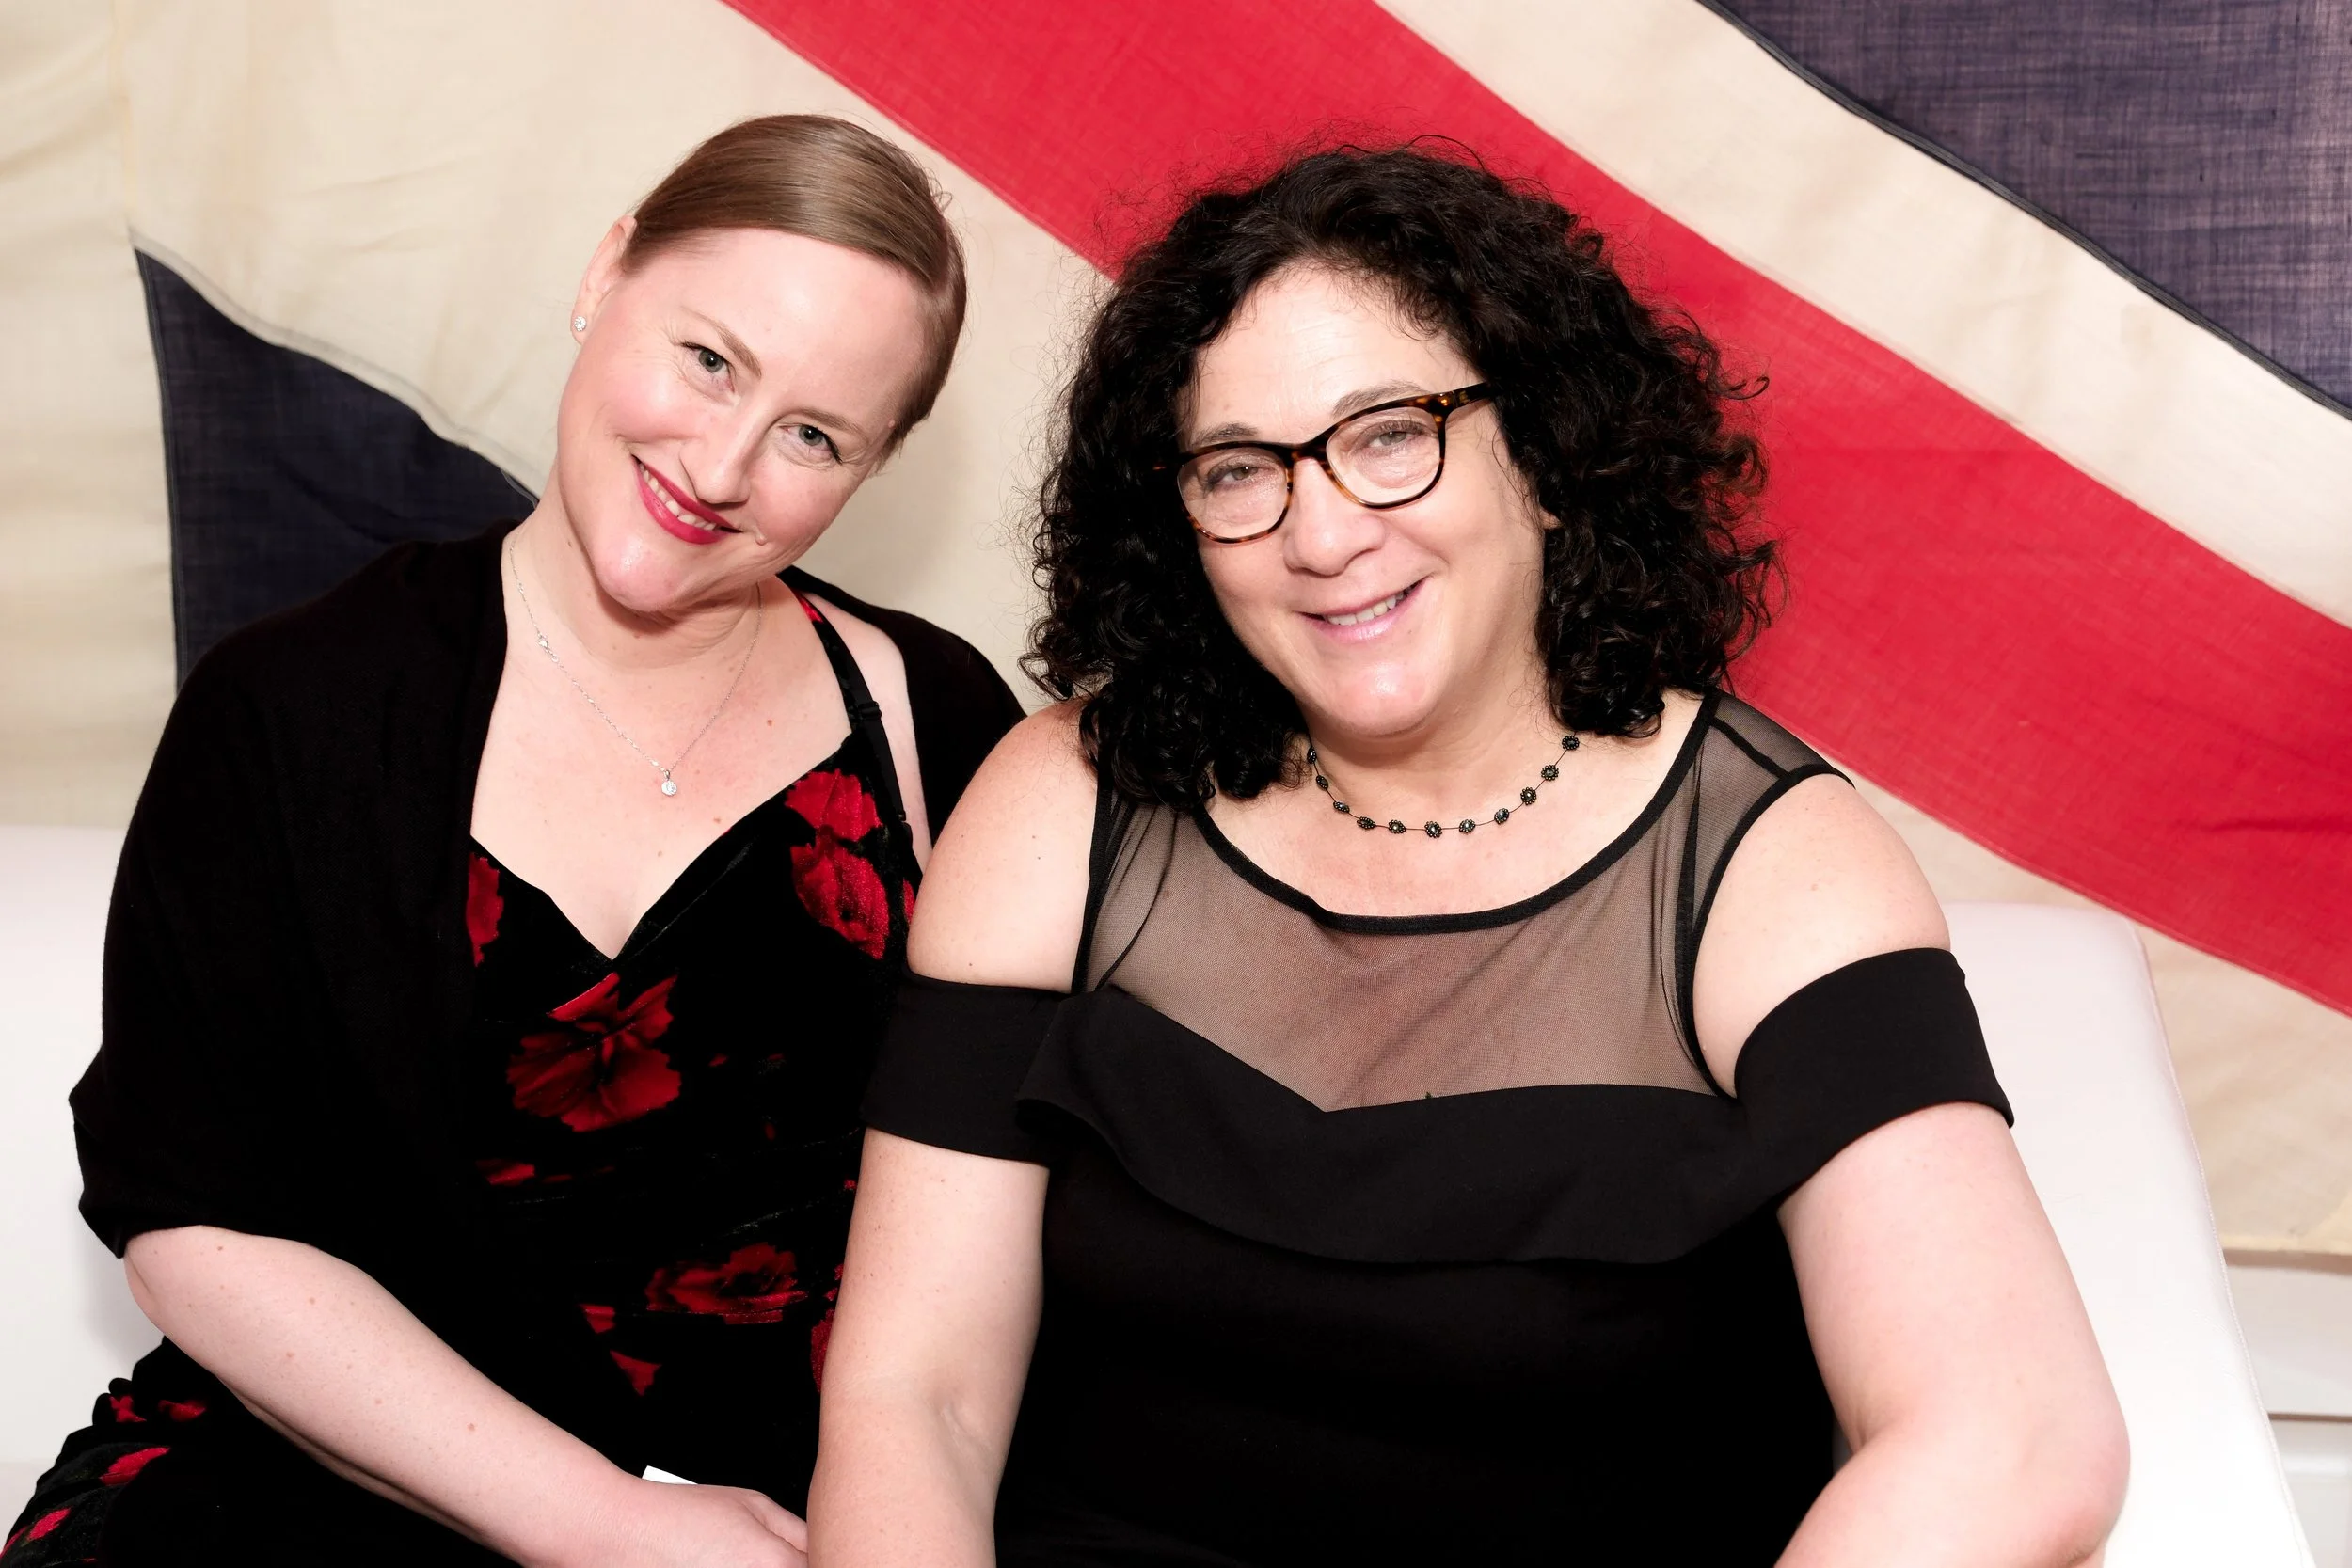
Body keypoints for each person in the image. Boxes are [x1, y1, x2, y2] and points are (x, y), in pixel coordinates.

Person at [809, 146, 2129, 1565]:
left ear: (1547, 457)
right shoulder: (1067, 799)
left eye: (1390, 435)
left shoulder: (1767, 866)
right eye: (1240, 470)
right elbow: (916, 1403)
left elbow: (2015, 1435)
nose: (1322, 534)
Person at [7, 115, 1022, 1568]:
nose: (720, 465)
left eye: (814, 435)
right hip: (319, 1473)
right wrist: (608, 1526)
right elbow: (192, 1224)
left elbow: (1009, 1222)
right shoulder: (285, 705)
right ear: (608, 271)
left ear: (873, 466)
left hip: (780, 1516)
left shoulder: (941, 724)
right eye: (709, 359)